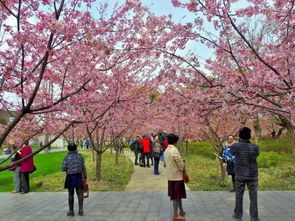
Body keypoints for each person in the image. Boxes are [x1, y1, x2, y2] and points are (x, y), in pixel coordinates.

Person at [230, 127, 260, 221]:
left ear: (240, 136)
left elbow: (231, 153)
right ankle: (254, 217)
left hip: (240, 174)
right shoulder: (255, 147)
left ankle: (238, 215)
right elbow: (257, 154)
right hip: (253, 175)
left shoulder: (235, 146)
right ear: (249, 136)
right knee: (253, 197)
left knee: (239, 195)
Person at [165, 133, 186, 221]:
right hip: (177, 176)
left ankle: (181, 211)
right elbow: (179, 162)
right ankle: (175, 215)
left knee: (178, 195)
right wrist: (183, 166)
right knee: (176, 196)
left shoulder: (166, 150)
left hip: (171, 176)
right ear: (175, 142)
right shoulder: (174, 150)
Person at [62, 143, 87, 216]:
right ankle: (81, 210)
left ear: (68, 149)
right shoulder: (80, 156)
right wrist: (85, 176)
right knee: (80, 194)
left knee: (70, 194)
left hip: (70, 177)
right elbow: (83, 168)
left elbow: (63, 168)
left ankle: (71, 211)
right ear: (76, 148)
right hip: (78, 176)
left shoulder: (66, 157)